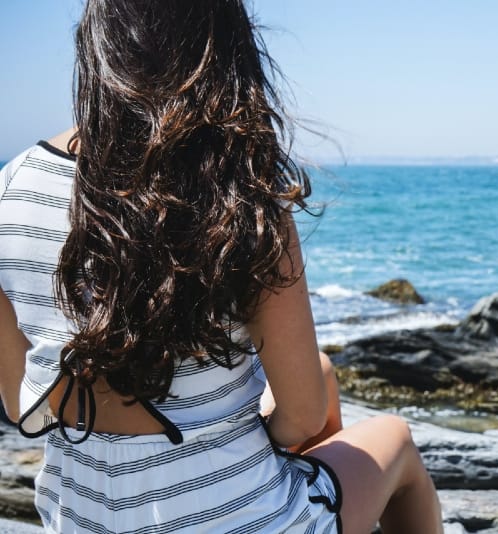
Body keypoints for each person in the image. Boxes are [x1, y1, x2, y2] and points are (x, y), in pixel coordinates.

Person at [0, 1, 443, 532]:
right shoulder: (236, 193)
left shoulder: (12, 189)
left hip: (83, 518)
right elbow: (299, 418)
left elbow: (22, 401)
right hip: (241, 520)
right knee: (395, 439)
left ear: (96, 43)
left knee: (322, 373)